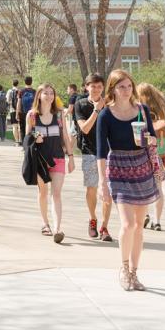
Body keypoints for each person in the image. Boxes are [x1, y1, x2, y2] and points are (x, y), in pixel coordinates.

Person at [96, 69, 161, 290]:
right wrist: (102, 183)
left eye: (129, 86)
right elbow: (101, 152)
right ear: (112, 89)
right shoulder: (105, 115)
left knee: (139, 228)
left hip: (141, 167)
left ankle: (134, 273)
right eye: (121, 87)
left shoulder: (142, 110)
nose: (126, 90)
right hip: (118, 169)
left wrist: (148, 138)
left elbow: (153, 139)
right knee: (128, 223)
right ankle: (123, 269)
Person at [26, 83, 73, 243]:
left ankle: (58, 228)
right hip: (40, 159)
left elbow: (66, 136)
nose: (49, 96)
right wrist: (35, 135)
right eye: (45, 93)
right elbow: (27, 136)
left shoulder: (59, 114)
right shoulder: (32, 115)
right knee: (43, 192)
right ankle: (45, 223)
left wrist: (71, 157)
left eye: (51, 93)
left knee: (57, 193)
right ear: (39, 96)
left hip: (58, 158)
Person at [74, 73, 113, 242]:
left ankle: (104, 226)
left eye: (99, 86)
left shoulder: (110, 104)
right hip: (89, 151)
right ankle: (93, 219)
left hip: (109, 152)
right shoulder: (80, 104)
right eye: (93, 86)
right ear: (86, 87)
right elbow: (85, 128)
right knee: (91, 188)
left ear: (103, 87)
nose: (96, 89)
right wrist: (97, 109)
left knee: (108, 191)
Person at [136, 82, 165, 231]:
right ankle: (157, 220)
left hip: (142, 154)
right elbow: (164, 137)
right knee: (158, 188)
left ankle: (145, 214)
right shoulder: (160, 112)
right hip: (157, 154)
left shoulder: (139, 110)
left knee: (142, 187)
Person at [18, 76, 36, 143]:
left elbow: (19, 103)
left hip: (23, 112)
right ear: (32, 82)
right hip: (32, 113)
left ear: (24, 82)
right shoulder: (35, 91)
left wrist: (17, 113)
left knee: (23, 129)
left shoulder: (21, 91)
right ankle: (33, 143)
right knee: (33, 128)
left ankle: (24, 144)